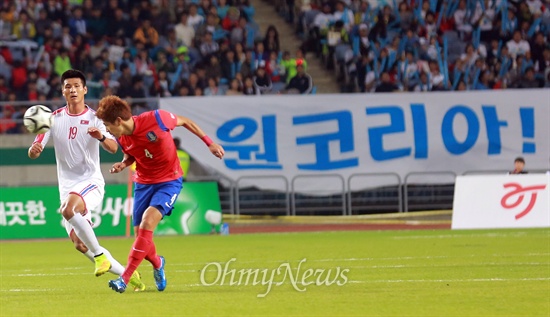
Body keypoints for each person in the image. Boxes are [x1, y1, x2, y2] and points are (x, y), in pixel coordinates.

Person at [27, 69, 145, 291]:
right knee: (80, 244)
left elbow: (113, 147)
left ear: (85, 89)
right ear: (63, 91)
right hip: (67, 188)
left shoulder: (96, 118)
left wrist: (100, 136)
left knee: (68, 210)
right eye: (68, 86)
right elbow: (35, 150)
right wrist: (34, 150)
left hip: (91, 183)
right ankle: (129, 274)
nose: (72, 90)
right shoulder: (52, 119)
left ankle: (101, 256)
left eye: (76, 86)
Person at [95, 95, 225, 293]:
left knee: (148, 223)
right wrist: (123, 163)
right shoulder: (122, 137)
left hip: (169, 181)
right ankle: (158, 263)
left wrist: (209, 143)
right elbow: (131, 154)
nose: (106, 129)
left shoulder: (157, 118)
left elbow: (186, 122)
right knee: (142, 237)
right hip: (143, 184)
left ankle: (125, 278)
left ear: (119, 121)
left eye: (107, 124)